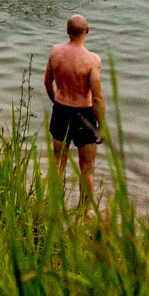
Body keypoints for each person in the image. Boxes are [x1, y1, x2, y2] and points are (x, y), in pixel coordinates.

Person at [44, 14, 105, 203]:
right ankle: (84, 215)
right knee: (87, 168)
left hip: (61, 111)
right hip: (83, 116)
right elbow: (96, 98)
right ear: (87, 30)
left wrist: (57, 102)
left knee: (57, 163)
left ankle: (53, 206)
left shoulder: (55, 52)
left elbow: (47, 82)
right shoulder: (92, 60)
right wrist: (101, 126)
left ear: (67, 31)